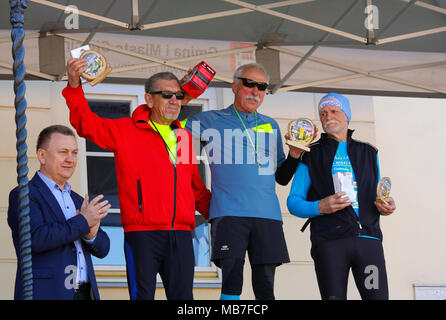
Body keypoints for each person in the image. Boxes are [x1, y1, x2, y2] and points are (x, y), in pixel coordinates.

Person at [62, 59, 211, 300]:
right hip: (143, 233)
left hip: (182, 234)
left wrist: (224, 216)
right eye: (166, 95)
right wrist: (73, 85)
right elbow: (85, 124)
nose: (174, 100)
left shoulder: (183, 136)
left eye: (178, 95)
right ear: (149, 99)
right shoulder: (125, 130)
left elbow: (194, 188)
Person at [184, 63, 304, 300]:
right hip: (229, 212)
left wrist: (294, 155)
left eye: (262, 87)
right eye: (250, 83)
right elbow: (170, 131)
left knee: (266, 285)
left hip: (267, 215)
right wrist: (185, 95)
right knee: (231, 281)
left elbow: (281, 177)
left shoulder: (271, 125)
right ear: (235, 86)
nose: (255, 91)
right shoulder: (209, 120)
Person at [287, 92, 396, 300]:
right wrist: (320, 206)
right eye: (323, 113)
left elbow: (379, 195)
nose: (328, 117)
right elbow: (293, 202)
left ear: (347, 115)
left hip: (368, 241)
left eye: (334, 111)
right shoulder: (310, 153)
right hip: (330, 242)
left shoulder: (369, 152)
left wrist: (387, 204)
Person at [8, 125, 111, 300]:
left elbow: (103, 249)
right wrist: (83, 222)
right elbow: (36, 239)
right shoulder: (24, 194)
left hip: (85, 292)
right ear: (42, 156)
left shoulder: (78, 199)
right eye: (63, 152)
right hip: (46, 293)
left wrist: (91, 235)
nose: (70, 159)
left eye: (75, 152)